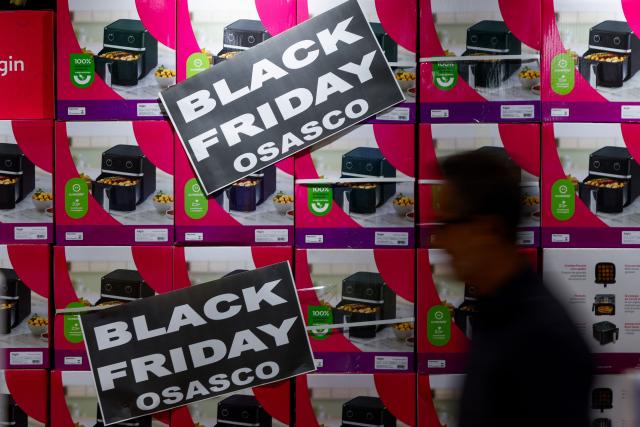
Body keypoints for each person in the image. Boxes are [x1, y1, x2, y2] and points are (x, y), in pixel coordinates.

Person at [433, 149, 594, 427]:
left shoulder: (543, 339)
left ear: (488, 230)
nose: (439, 241)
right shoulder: (494, 313)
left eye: (449, 224)